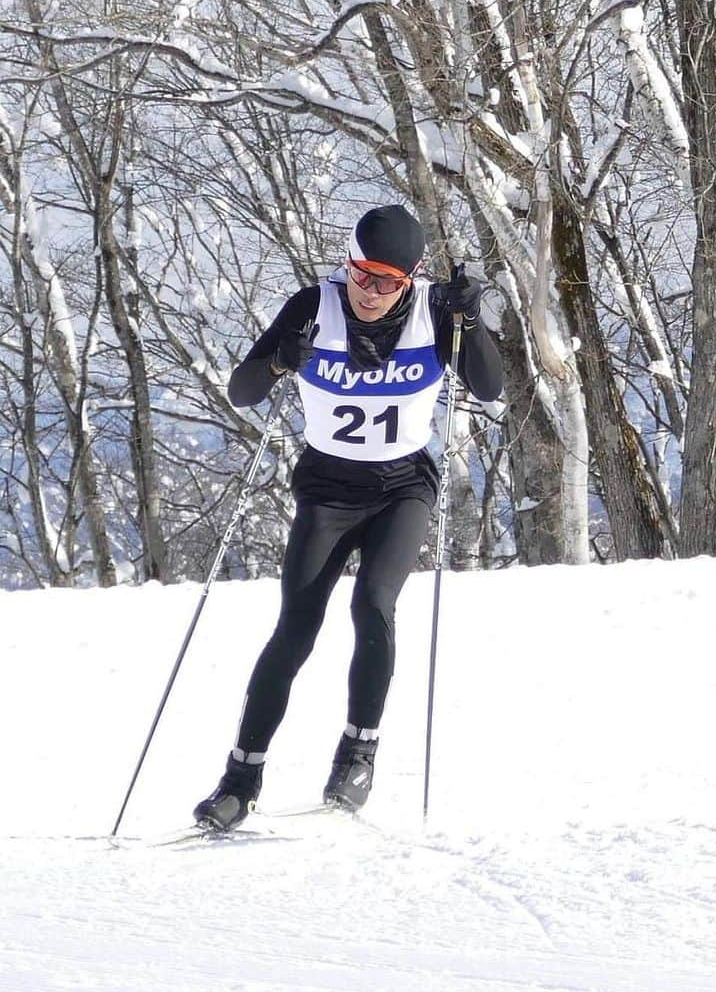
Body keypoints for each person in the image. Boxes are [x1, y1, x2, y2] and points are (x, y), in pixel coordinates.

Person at [193, 204, 502, 830]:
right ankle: (240, 778)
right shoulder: (314, 306)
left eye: (389, 281)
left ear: (411, 279)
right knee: (295, 631)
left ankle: (358, 752)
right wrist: (280, 358)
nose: (372, 291)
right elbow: (242, 390)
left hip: (402, 488)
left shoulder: (437, 313)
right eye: (363, 275)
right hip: (328, 490)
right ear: (348, 265)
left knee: (373, 607)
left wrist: (473, 317)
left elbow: (490, 386)